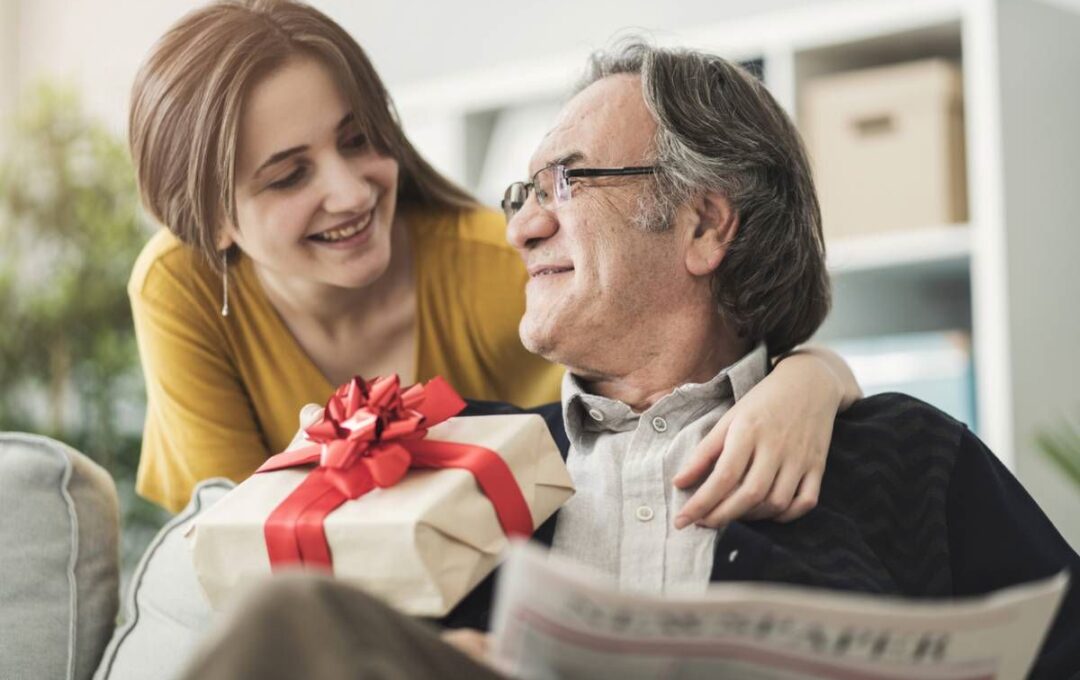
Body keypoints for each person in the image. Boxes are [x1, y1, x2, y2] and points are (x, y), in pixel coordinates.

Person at [177, 40, 1079, 680]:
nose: (524, 225)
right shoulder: (457, 458)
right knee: (285, 625)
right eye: (523, 193)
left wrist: (815, 373)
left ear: (703, 224)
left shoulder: (906, 456)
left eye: (567, 182)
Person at [127, 0, 861, 522]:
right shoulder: (181, 287)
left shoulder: (502, 261)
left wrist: (812, 375)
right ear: (212, 219)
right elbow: (225, 537)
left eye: (357, 140)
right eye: (289, 175)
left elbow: (685, 367)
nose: (349, 192)